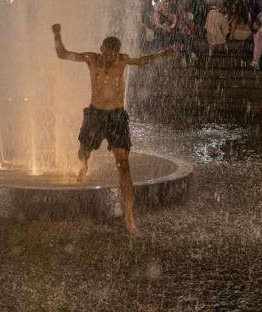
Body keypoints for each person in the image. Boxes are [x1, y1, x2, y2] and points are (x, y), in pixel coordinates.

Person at [52, 23, 175, 234]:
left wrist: (163, 54)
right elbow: (62, 54)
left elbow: (142, 61)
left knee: (123, 165)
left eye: (114, 54)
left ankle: (129, 216)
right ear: (101, 49)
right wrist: (57, 34)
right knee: (83, 151)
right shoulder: (91, 59)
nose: (110, 58)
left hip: (117, 117)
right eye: (107, 53)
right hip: (95, 115)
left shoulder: (123, 60)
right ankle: (83, 165)